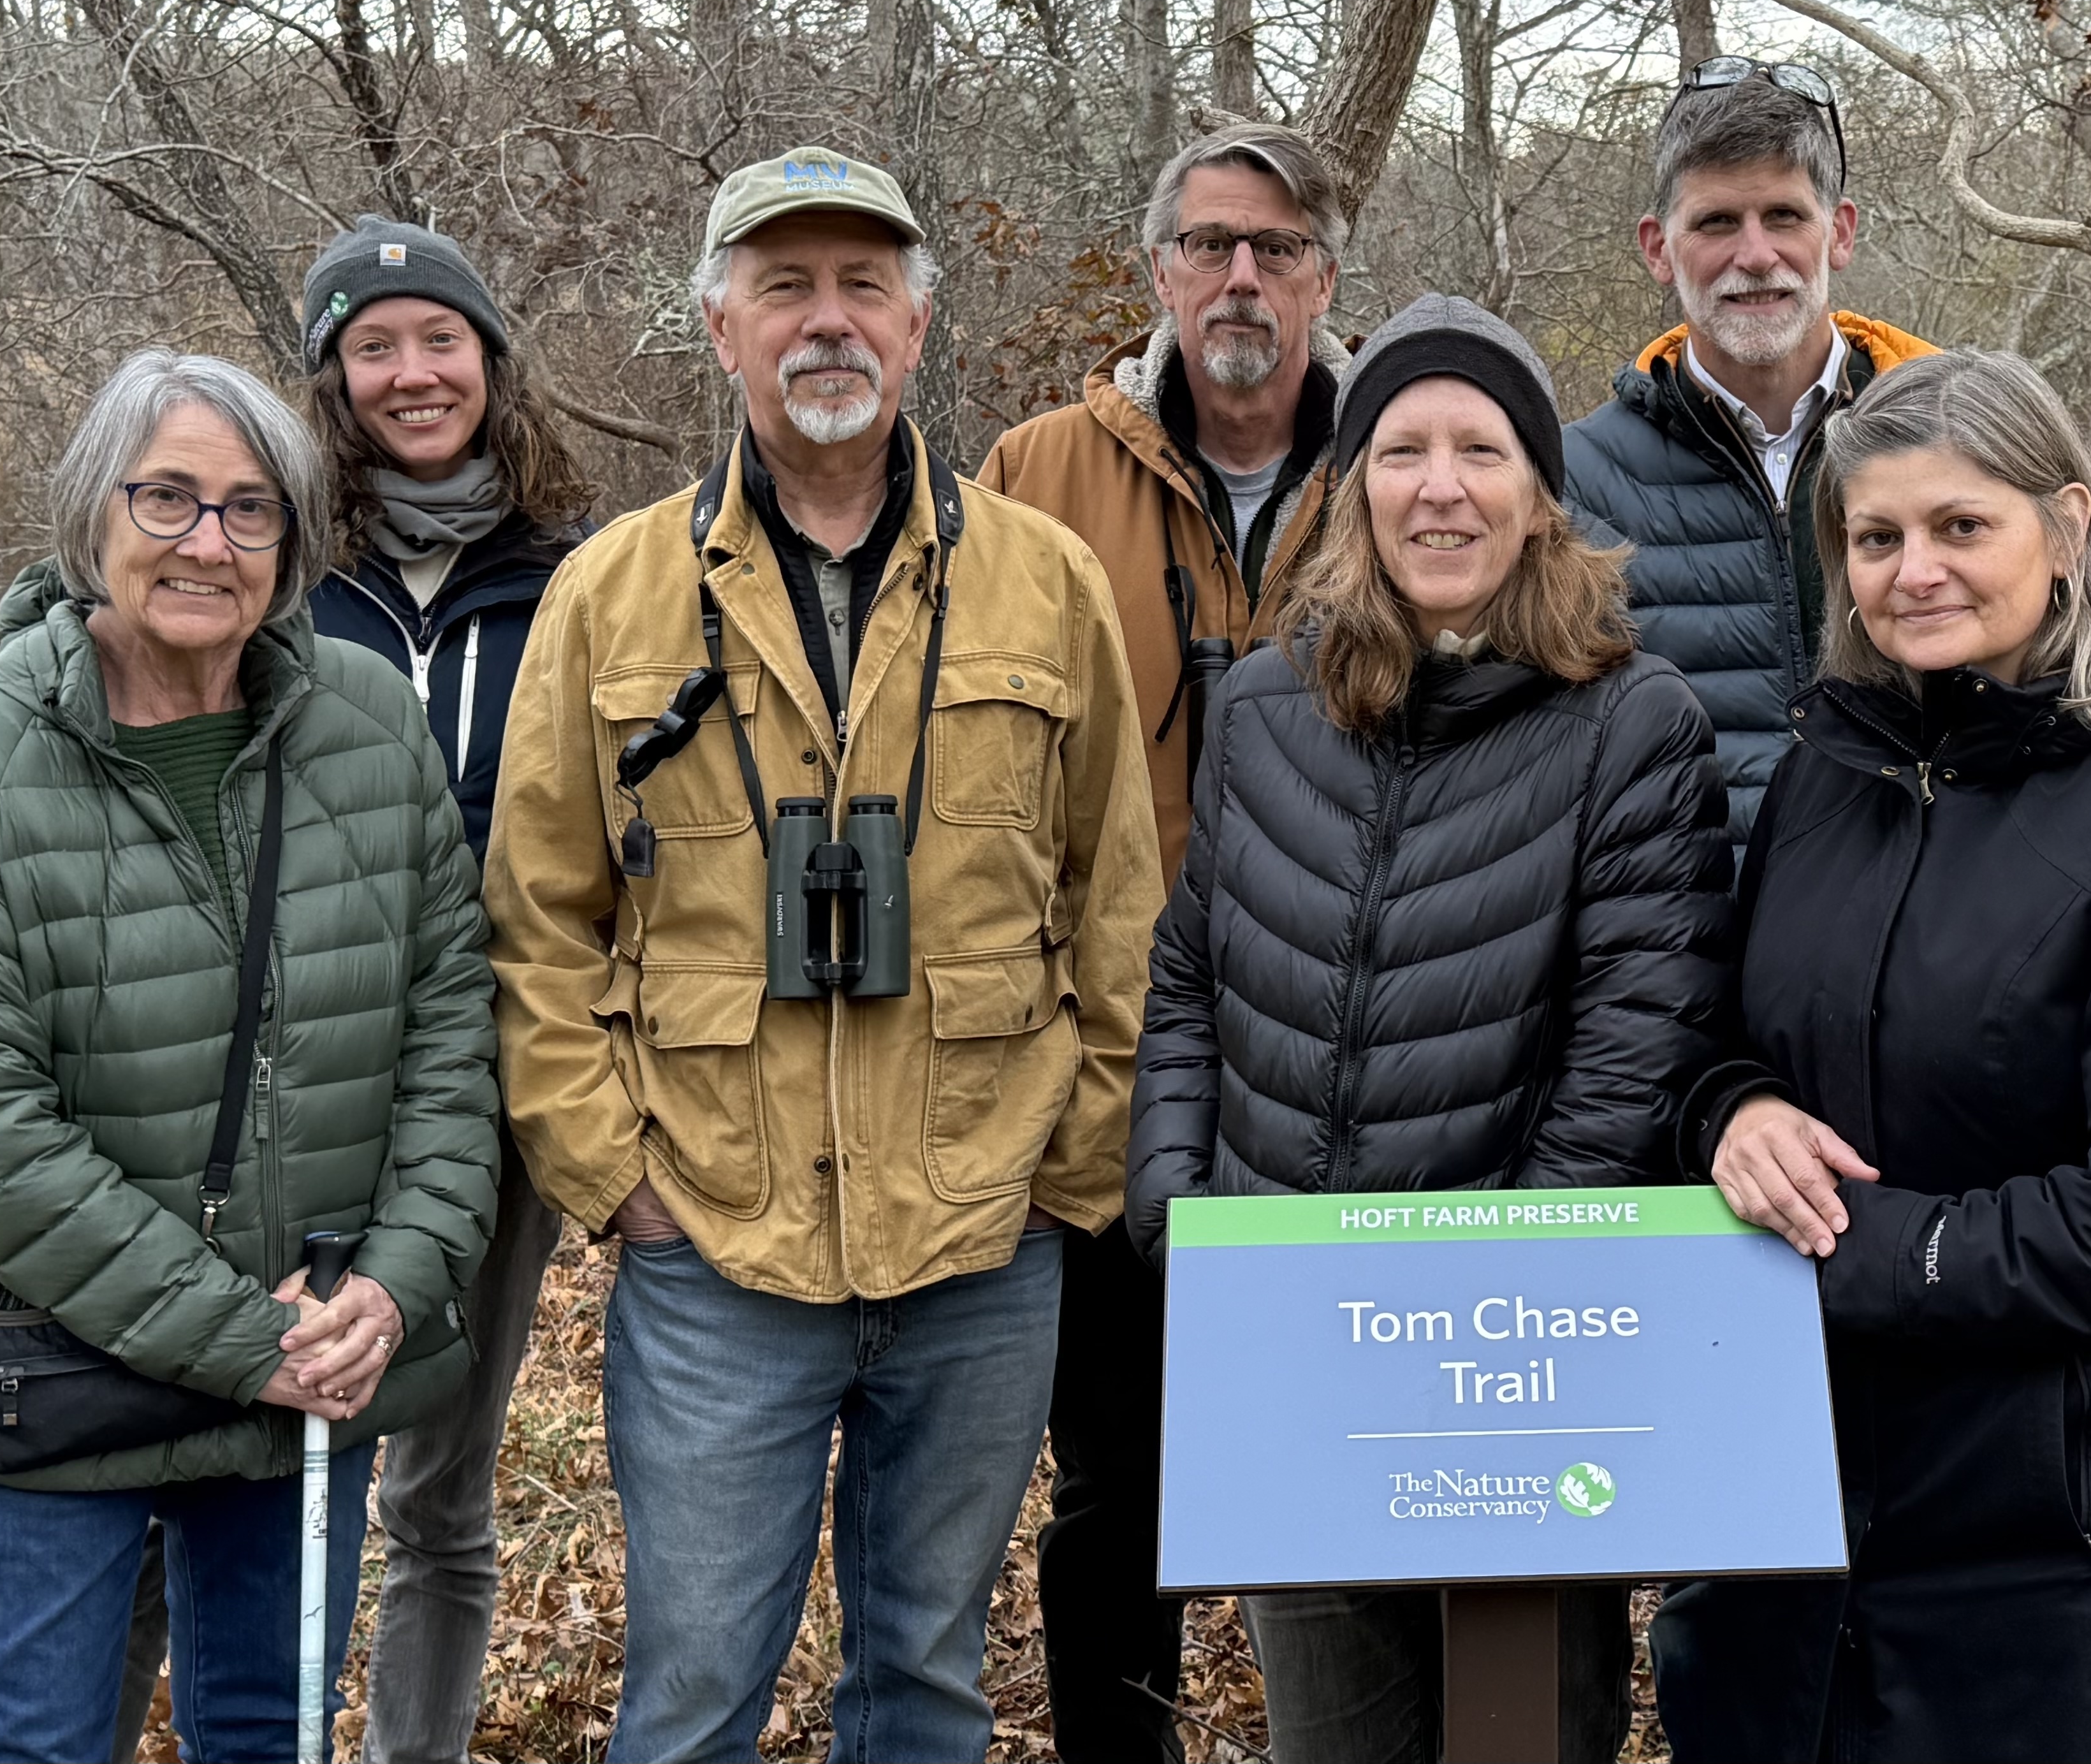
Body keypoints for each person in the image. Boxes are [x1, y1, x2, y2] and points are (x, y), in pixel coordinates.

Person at [486, 146, 1162, 1761]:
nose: (827, 322)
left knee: (926, 1688)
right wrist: (614, 1174)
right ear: (719, 329)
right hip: (719, 1249)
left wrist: (1069, 1172)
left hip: (981, 1250)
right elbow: (538, 918)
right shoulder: (611, 596)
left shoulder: (1043, 581)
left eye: (865, 285)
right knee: (697, 1691)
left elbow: (1119, 903)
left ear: (920, 328)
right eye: (784, 286)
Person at [1654, 349, 2091, 1763]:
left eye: (1961, 525)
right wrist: (1729, 1113)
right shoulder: (1825, 779)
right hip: (1825, 1527)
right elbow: (1720, 1035)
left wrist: (1866, 1252)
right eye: (1878, 536)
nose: (1916, 570)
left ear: (2071, 527)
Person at [0, 348, 499, 1758]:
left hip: (305, 1377)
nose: (209, 541)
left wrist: (391, 1281)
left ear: (294, 540)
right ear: (93, 517)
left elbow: (454, 1028)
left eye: (252, 508)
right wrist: (246, 1339)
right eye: (169, 498)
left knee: (270, 1734)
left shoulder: (368, 725)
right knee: (36, 1744)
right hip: (29, 1384)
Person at [1126, 294, 1732, 1764]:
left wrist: (1491, 1306)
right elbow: (1192, 974)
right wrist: (1173, 1207)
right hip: (1289, 1346)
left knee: (1521, 1740)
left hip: (1509, 1373)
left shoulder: (1630, 722)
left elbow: (1636, 1039)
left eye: (1482, 449)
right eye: (1404, 448)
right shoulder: (1266, 710)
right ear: (1352, 487)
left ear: (1539, 497)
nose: (1441, 485)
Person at [981, 124, 1349, 1762]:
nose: (1242, 278)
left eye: (1275, 247)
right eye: (1209, 245)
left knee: (1342, 1481)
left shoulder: (1414, 459)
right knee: (1117, 1489)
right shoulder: (1035, 475)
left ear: (1328, 276)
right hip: (1117, 1073)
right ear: (1158, 273)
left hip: (1355, 1072)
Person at [295, 214, 594, 1764]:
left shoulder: (579, 577)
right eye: (374, 348)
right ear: (334, 383)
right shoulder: (282, 574)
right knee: (251, 1458)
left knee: (438, 1490)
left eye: (440, 340)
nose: (413, 375)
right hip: (297, 1085)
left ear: (490, 360)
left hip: (497, 1095)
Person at [1563, 57, 1935, 845]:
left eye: (1785, 216)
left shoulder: (1954, 443)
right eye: (1718, 223)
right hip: (1684, 943)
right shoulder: (1572, 484)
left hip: (1922, 935)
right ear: (1659, 249)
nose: (1756, 255)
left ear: (1839, 233)